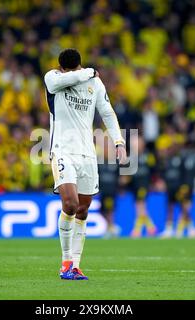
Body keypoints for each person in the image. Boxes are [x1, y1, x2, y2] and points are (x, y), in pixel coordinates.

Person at [44, 48, 127, 280]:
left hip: (87, 154)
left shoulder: (95, 85)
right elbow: (69, 78)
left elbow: (108, 113)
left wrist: (118, 141)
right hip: (62, 151)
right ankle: (65, 262)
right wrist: (89, 71)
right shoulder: (53, 79)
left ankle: (76, 265)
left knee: (83, 209)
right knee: (69, 204)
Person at [129, 135, 157, 238]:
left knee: (140, 206)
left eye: (137, 143)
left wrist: (154, 182)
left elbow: (154, 170)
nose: (135, 146)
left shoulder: (148, 156)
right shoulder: (131, 157)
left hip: (143, 185)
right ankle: (151, 227)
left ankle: (137, 230)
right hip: (134, 186)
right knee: (139, 207)